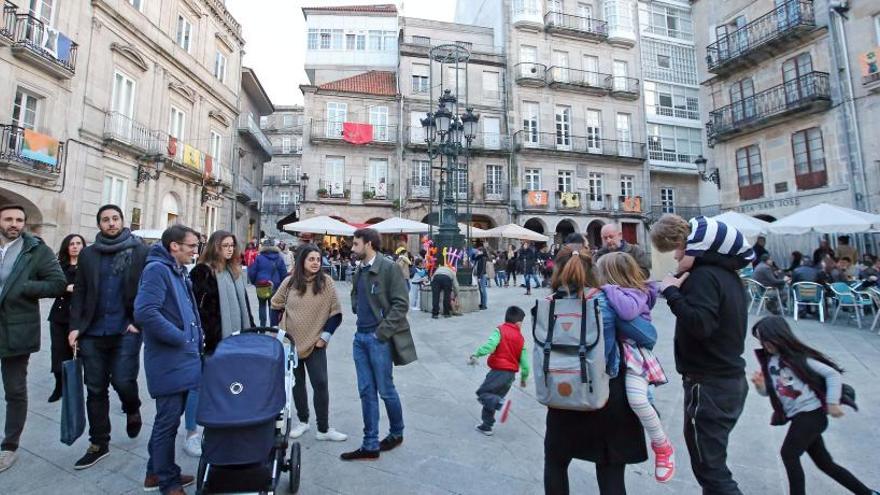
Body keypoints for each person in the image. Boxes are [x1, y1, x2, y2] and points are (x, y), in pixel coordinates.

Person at [652, 217, 750, 495]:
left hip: (708, 384)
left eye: (677, 248)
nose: (675, 255)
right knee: (712, 466)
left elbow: (700, 325)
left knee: (712, 472)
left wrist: (671, 291)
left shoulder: (703, 277)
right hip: (727, 380)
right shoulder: (729, 276)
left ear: (687, 244)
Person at [542, 246, 647, 494]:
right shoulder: (606, 302)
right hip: (605, 395)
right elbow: (647, 336)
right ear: (594, 271)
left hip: (563, 393)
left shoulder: (546, 305)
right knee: (610, 468)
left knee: (556, 463)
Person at [750, 316, 879, 495]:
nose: (764, 344)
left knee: (789, 454)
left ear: (780, 335)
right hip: (800, 417)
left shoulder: (799, 358)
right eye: (760, 339)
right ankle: (867, 493)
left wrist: (832, 403)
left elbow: (832, 374)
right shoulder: (770, 361)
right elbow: (774, 391)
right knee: (825, 464)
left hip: (811, 415)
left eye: (766, 338)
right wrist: (761, 387)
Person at [68, 204, 149, 470]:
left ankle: (132, 406)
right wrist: (75, 326)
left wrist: (137, 321)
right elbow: (79, 291)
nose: (111, 223)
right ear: (99, 224)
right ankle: (98, 443)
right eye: (105, 220)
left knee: (124, 380)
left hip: (125, 329)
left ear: (122, 221)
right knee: (95, 388)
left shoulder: (139, 251)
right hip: (92, 331)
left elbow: (148, 288)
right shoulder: (89, 254)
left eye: (115, 219)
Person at [595, 252, 674, 483]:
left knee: (638, 400)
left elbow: (627, 312)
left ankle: (662, 445)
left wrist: (607, 289)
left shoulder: (637, 292)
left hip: (635, 355)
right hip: (620, 353)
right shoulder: (617, 291)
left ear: (611, 275)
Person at [134, 226, 201, 494]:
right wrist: (181, 337)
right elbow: (145, 312)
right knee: (167, 422)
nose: (195, 250)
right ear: (174, 246)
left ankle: (154, 472)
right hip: (169, 358)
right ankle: (167, 481)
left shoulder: (177, 270)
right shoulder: (157, 270)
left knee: (169, 420)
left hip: (182, 358)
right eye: (191, 245)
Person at [0, 204, 66, 472]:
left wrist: (23, 287)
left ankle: (9, 446)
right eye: (8, 219)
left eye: (19, 220)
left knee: (14, 389)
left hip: (17, 329)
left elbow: (58, 283)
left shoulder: (36, 251)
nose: (14, 224)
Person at [341, 228, 417, 461]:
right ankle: (370, 444)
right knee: (366, 392)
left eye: (356, 244)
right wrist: (356, 306)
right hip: (359, 338)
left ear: (369, 245)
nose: (352, 249)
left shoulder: (388, 268)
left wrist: (381, 332)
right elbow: (355, 295)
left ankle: (396, 432)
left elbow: (401, 304)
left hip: (377, 338)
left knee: (385, 390)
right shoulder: (360, 269)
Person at [187, 231, 254, 457]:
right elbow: (197, 309)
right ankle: (191, 434)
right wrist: (207, 337)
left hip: (235, 340)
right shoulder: (202, 272)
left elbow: (244, 304)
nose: (229, 249)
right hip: (213, 342)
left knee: (228, 386)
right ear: (215, 247)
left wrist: (251, 332)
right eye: (225, 245)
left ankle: (221, 427)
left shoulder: (234, 271)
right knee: (199, 386)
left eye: (232, 245)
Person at [272, 244, 347, 443]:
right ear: (302, 261)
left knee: (320, 383)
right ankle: (303, 421)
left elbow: (336, 314)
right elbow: (275, 305)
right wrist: (277, 331)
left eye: (318, 259)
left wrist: (325, 337)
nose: (315, 263)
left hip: (315, 343)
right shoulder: (289, 283)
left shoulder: (327, 283)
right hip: (291, 343)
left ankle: (324, 428)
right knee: (297, 384)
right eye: (311, 259)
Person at [467, 306, 529, 436]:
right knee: (492, 398)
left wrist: (477, 354)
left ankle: (501, 403)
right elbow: (525, 364)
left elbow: (490, 346)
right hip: (510, 376)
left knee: (483, 393)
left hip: (498, 372)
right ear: (518, 322)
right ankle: (486, 426)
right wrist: (523, 378)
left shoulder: (500, 330)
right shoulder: (521, 338)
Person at [47, 234, 86, 403]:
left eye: (78, 243)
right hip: (59, 316)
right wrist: (66, 288)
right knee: (58, 354)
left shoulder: (88, 267)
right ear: (66, 247)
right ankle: (59, 386)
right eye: (71, 244)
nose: (75, 246)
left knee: (77, 354)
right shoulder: (59, 266)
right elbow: (49, 287)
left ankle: (74, 388)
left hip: (79, 318)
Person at [650, 214, 753, 276]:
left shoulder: (697, 238)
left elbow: (685, 265)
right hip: (741, 253)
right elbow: (684, 246)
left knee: (697, 262)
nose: (675, 251)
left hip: (741, 258)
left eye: (675, 247)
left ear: (677, 240)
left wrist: (673, 278)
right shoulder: (695, 222)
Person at [248, 239, 287, 326]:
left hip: (261, 285)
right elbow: (283, 273)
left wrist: (255, 282)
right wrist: (280, 285)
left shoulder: (259, 258)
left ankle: (262, 326)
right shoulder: (279, 258)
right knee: (272, 306)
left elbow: (252, 272)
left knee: (262, 305)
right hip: (274, 286)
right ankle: (272, 326)